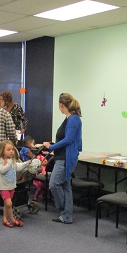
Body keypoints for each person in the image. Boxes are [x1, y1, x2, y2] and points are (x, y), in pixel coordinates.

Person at [43, 93, 82, 224]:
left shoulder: (74, 119)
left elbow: (69, 139)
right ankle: (67, 216)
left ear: (61, 105)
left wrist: (51, 147)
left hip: (66, 157)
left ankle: (64, 208)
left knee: (54, 184)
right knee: (65, 185)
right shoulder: (68, 119)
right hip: (62, 155)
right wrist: (53, 146)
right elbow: (65, 139)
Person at [0, 140, 30, 228]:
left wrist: (26, 163)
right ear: (3, 151)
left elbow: (17, 168)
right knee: (9, 204)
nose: (11, 151)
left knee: (6, 204)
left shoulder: (13, 160)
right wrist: (9, 163)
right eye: (8, 149)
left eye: (12, 149)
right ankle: (12, 219)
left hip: (12, 186)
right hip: (4, 187)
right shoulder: (0, 160)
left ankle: (5, 219)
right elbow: (2, 170)